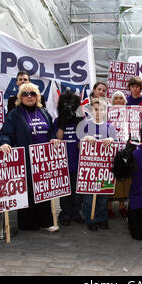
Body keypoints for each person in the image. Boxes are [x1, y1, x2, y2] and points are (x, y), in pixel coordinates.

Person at [0, 83, 58, 232]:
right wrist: (4, 143)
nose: (29, 96)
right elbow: (6, 133)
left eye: (32, 93)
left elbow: (51, 132)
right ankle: (28, 224)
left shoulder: (44, 112)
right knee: (28, 191)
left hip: (43, 160)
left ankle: (46, 222)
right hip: (25, 159)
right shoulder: (15, 114)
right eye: (25, 94)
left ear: (37, 96)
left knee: (43, 190)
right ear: (20, 97)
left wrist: (54, 138)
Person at [77, 97, 117, 231]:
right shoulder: (85, 124)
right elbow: (79, 145)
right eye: (96, 109)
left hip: (105, 169)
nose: (98, 112)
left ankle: (102, 218)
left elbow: (116, 143)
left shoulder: (109, 126)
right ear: (91, 110)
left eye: (101, 109)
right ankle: (90, 218)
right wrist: (86, 138)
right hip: (89, 169)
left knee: (103, 195)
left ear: (106, 111)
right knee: (89, 197)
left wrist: (111, 139)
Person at [54, 90, 85, 226]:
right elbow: (58, 138)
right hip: (63, 161)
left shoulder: (81, 121)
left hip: (77, 160)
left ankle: (76, 212)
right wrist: (61, 123)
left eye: (71, 103)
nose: (69, 106)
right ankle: (65, 213)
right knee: (65, 190)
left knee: (77, 190)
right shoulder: (57, 120)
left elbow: (82, 142)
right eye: (66, 103)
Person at [107, 91, 131, 218]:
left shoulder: (130, 113)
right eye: (115, 98)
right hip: (110, 150)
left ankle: (122, 206)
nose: (118, 100)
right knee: (110, 177)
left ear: (124, 101)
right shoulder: (107, 113)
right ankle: (108, 206)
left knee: (124, 178)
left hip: (125, 149)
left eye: (121, 98)